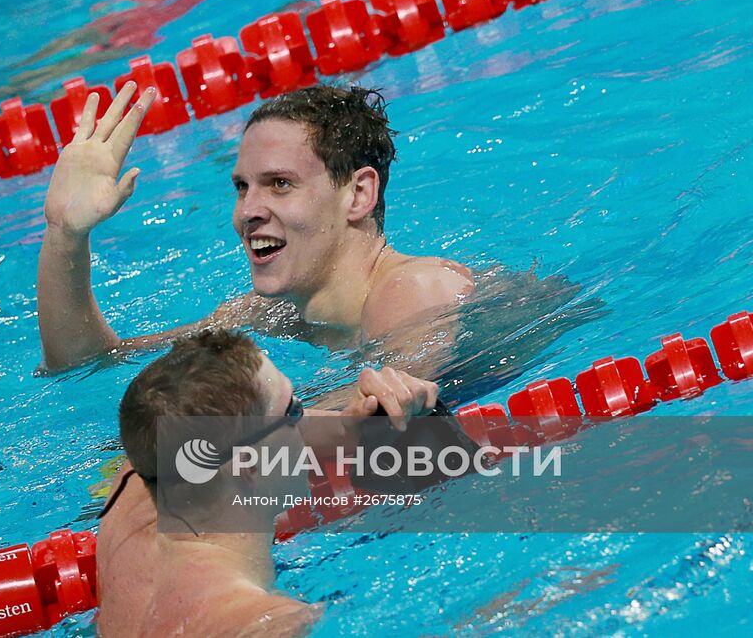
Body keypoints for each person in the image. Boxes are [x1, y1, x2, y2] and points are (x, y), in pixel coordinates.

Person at [38, 81, 474, 372]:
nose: (248, 210)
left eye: (280, 184)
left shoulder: (415, 290)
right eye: (242, 187)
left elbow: (385, 416)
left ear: (358, 195)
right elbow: (88, 362)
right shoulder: (272, 314)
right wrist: (65, 236)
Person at [96, 328, 441, 637]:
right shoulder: (274, 625)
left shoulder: (135, 480)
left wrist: (348, 427)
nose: (305, 420)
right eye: (293, 410)